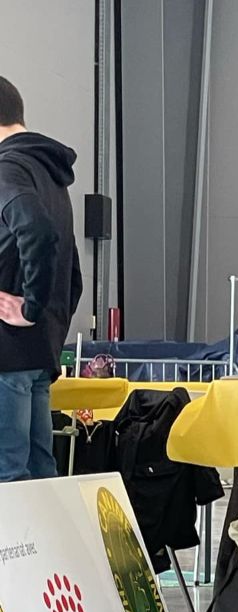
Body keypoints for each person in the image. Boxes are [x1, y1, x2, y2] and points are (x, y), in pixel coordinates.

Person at [0, 76, 82, 483]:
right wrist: (48, 324)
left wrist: (29, 308)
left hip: (7, 356)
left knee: (9, 478)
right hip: (36, 355)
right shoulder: (50, 173)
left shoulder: (7, 168)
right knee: (39, 476)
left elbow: (37, 231)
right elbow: (73, 272)